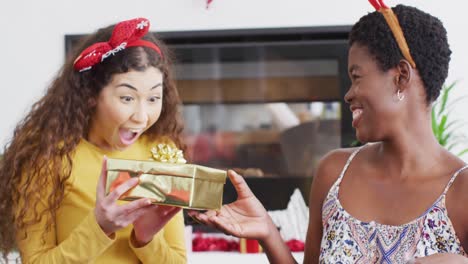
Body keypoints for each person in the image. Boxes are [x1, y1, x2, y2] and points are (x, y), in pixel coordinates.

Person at [189, 3, 468, 263]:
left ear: (401, 77)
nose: (348, 94)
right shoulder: (334, 171)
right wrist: (267, 232)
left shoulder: (462, 190)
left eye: (357, 77)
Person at [0, 18, 187, 263]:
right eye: (127, 98)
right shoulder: (46, 159)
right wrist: (99, 227)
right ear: (90, 95)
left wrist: (145, 239)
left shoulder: (162, 152)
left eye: (153, 98)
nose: (142, 117)